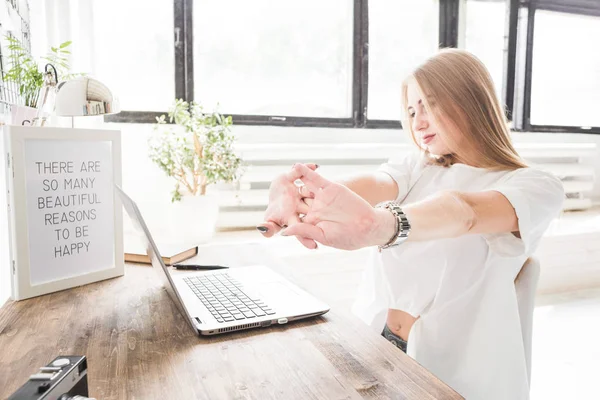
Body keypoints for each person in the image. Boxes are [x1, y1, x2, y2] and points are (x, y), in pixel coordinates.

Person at [256, 49, 564, 400]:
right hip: (379, 348)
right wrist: (301, 191)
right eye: (412, 110)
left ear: (472, 101)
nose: (418, 122)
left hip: (450, 375)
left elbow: (464, 212)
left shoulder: (535, 186)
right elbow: (374, 184)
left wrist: (383, 224)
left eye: (430, 105)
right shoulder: (418, 167)